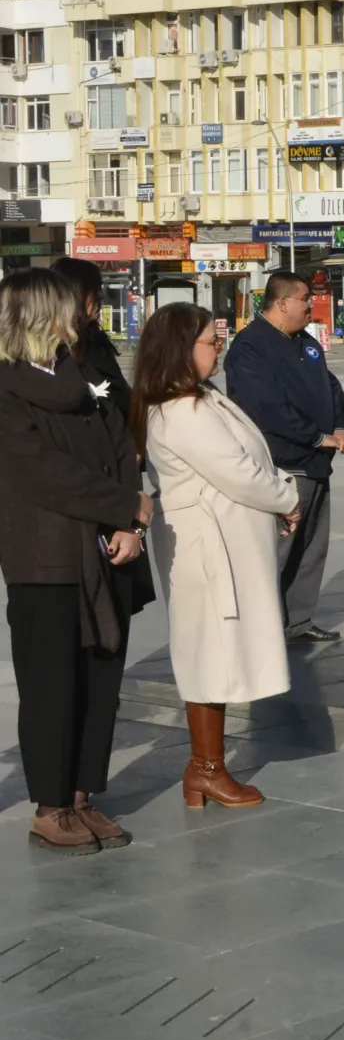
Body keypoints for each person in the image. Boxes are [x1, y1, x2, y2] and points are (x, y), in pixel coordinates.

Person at [0, 269, 152, 852]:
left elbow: (120, 443)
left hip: (106, 547)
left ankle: (83, 794)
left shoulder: (82, 372)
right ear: (40, 314)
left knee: (100, 676)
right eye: (67, 306)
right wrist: (124, 505)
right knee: (51, 683)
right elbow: (42, 472)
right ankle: (50, 805)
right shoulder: (8, 388)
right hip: (45, 556)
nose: (80, 315)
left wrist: (128, 521)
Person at [136, 303, 300, 809]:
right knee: (208, 652)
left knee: (218, 651)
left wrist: (278, 493)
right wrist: (287, 498)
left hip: (224, 541)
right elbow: (237, 472)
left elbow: (249, 459)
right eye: (210, 341)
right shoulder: (180, 411)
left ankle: (207, 767)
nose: (219, 348)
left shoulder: (200, 397)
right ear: (181, 349)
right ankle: (205, 768)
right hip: (206, 550)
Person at [222, 272, 344, 646]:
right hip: (283, 464)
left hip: (317, 462)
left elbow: (331, 387)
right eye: (305, 299)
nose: (311, 305)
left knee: (311, 548)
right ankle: (262, 627)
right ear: (282, 303)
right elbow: (265, 406)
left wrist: (341, 426)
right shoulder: (251, 346)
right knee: (276, 551)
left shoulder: (306, 343)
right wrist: (315, 436)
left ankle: (298, 621)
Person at [51, 257, 131, 422]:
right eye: (95, 289)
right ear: (76, 293)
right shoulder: (50, 351)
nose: (101, 296)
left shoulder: (97, 343)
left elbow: (124, 397)